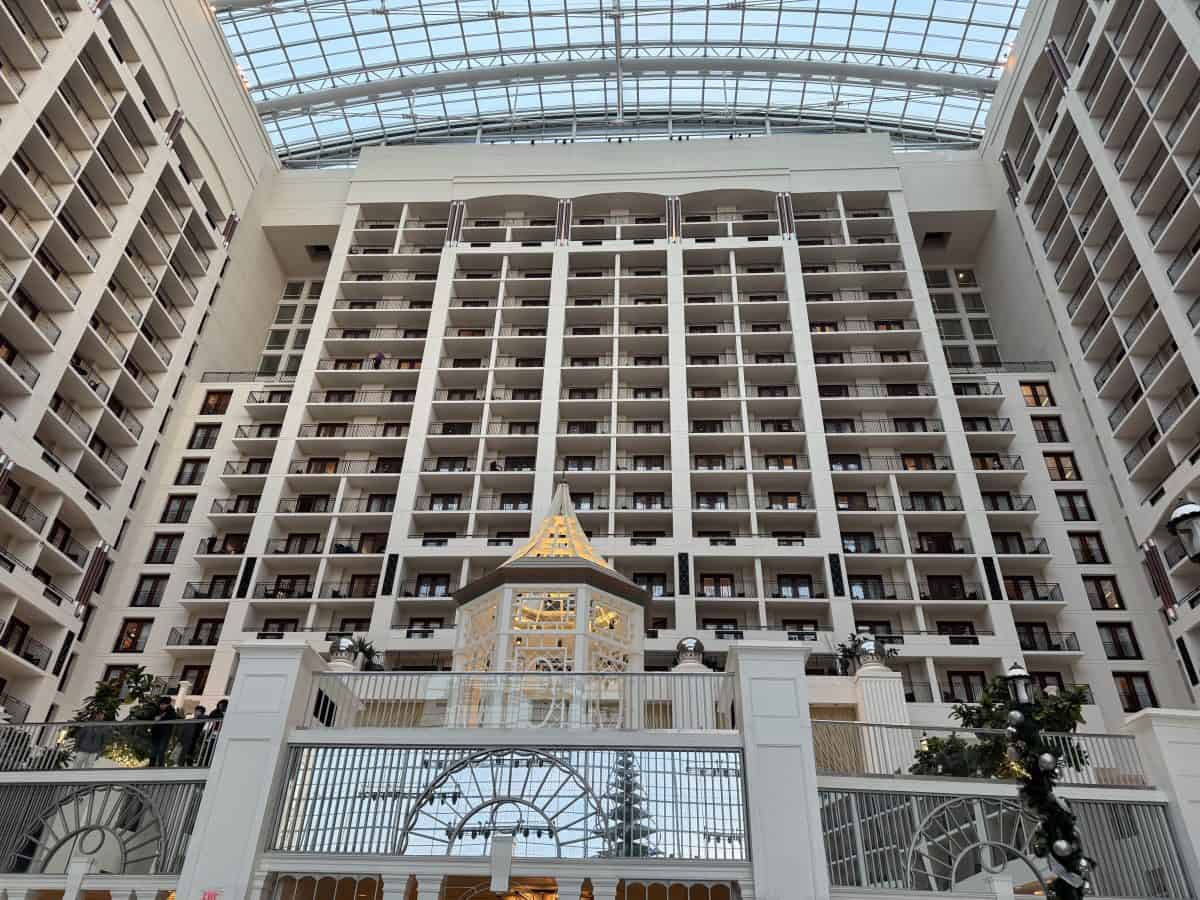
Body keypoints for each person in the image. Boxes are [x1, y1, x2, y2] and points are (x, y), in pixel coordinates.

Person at [148, 696, 178, 767]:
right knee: (154, 750)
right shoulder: (157, 710)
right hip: (156, 733)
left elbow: (172, 718)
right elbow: (152, 718)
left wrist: (160, 717)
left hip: (165, 734)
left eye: (163, 704)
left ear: (167, 704)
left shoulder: (171, 712)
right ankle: (151, 766)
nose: (161, 706)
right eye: (160, 704)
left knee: (161, 750)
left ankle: (160, 766)